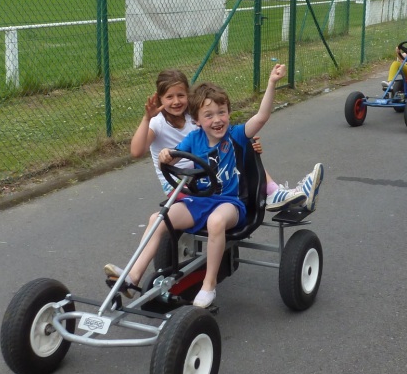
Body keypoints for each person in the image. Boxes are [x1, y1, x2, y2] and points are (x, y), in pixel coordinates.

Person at [106, 64, 290, 309]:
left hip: (229, 203)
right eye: (209, 115)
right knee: (158, 218)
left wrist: (272, 83)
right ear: (197, 120)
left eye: (221, 112)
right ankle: (133, 276)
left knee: (215, 222)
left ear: (228, 113)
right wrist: (165, 156)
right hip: (199, 200)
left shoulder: (235, 135)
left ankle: (209, 285)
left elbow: (262, 116)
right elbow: (173, 153)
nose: (217, 120)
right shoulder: (194, 138)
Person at [129, 68, 322, 212]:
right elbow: (137, 152)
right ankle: (273, 192)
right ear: (159, 99)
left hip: (206, 171)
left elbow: (222, 135)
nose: (176, 101)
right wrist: (147, 118)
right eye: (169, 97)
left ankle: (274, 192)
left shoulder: (195, 117)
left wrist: (246, 143)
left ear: (188, 95)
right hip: (180, 181)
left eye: (180, 95)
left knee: (242, 149)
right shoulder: (157, 123)